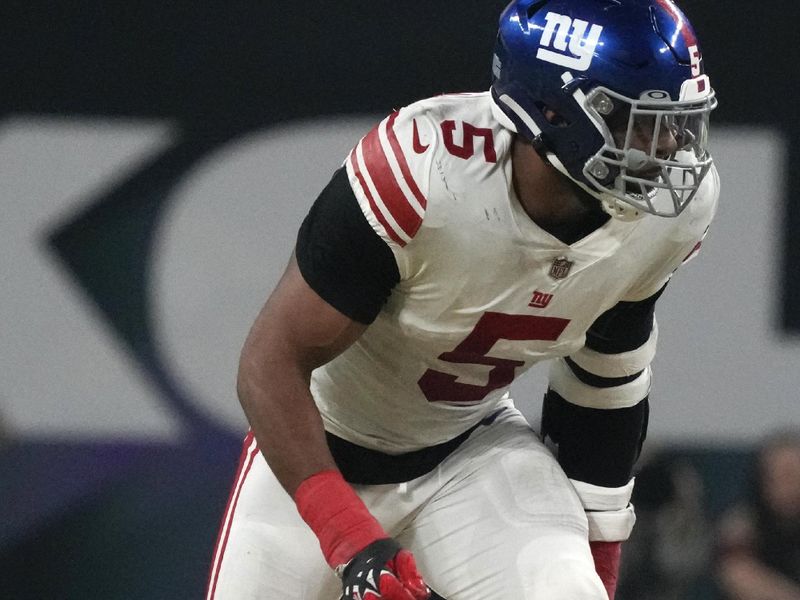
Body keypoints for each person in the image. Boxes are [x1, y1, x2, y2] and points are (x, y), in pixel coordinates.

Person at [206, 0, 719, 598]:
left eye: (676, 121)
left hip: (469, 451)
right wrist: (352, 541)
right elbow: (269, 365)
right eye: (640, 122)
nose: (669, 147)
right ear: (552, 109)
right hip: (320, 454)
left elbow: (607, 379)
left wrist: (599, 563)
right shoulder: (424, 171)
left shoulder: (665, 215)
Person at [716, 431, 800, 600]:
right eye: (775, 476)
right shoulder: (744, 522)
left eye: (791, 475)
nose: (784, 485)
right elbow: (737, 574)